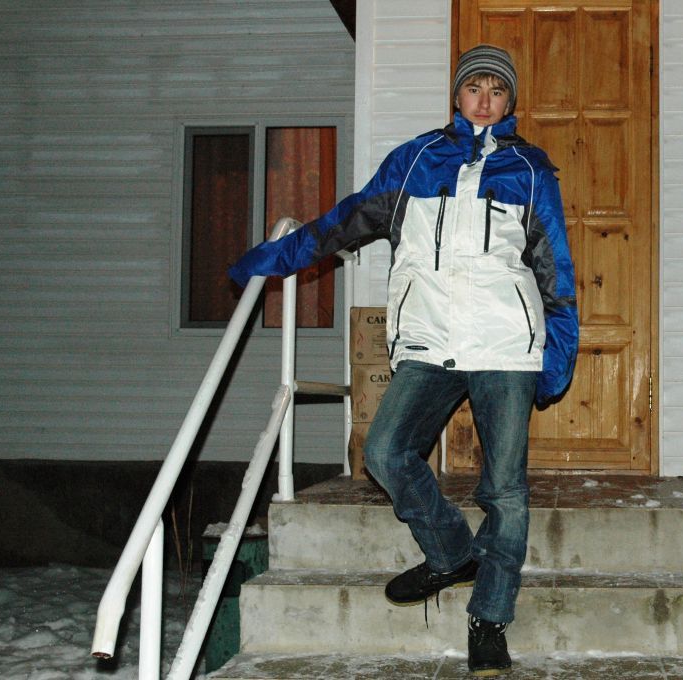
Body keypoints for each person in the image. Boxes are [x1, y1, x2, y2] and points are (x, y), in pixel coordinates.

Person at [228, 44, 578, 676]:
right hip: (429, 341)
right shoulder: (415, 158)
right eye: (474, 88)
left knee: (505, 490)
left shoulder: (530, 170)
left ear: (510, 102)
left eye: (497, 91)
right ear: (457, 94)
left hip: (505, 344)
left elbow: (556, 269)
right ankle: (451, 552)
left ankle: (490, 618)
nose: (485, 101)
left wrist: (558, 353)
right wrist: (275, 258)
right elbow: (344, 223)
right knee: (386, 452)